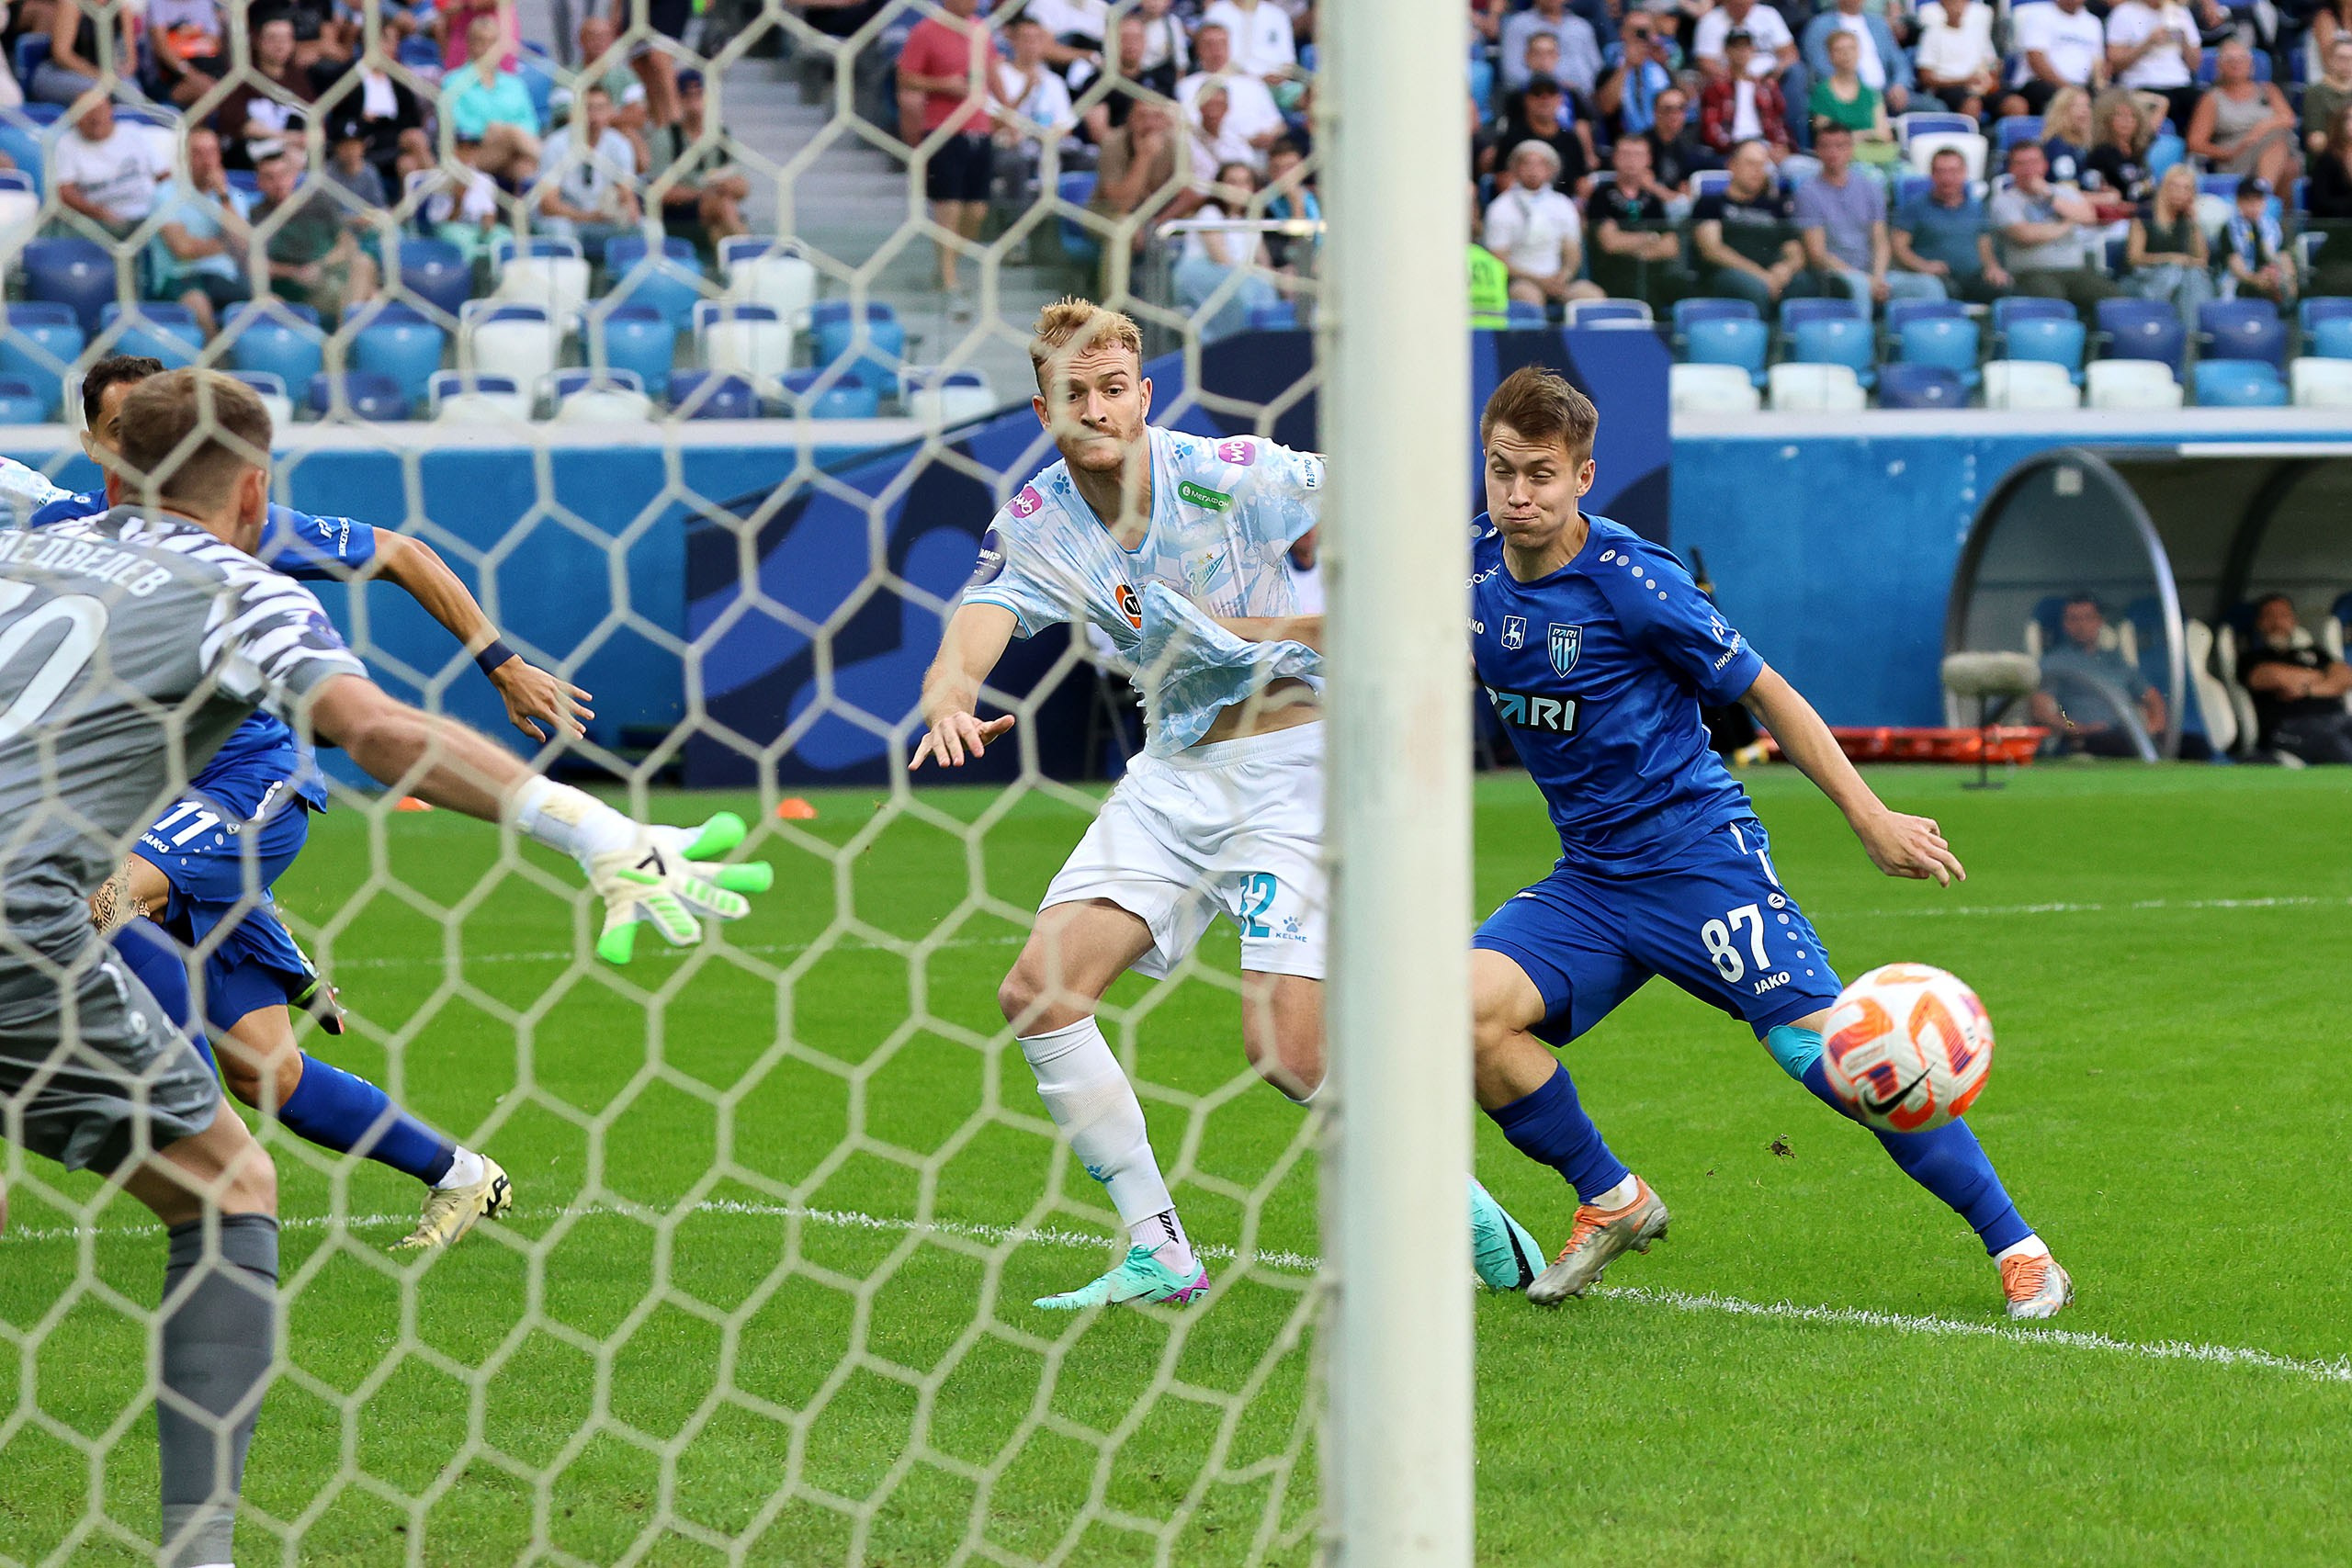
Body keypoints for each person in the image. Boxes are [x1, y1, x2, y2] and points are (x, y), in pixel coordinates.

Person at [0, 365, 763, 1568]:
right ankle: (199, 1549)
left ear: (106, 474)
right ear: (256, 492)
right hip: (20, 918)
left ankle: (410, 1126)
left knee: (236, 1064)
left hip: (169, 829)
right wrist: (602, 829)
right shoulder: (240, 585)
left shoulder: (26, 548)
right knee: (225, 1192)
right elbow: (384, 734)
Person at [910, 299, 1544, 1310]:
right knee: (1039, 994)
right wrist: (951, 693)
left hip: (1296, 769)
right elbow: (979, 617)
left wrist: (1267, 624)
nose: (1096, 409)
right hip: (1172, 778)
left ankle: (1450, 1200)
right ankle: (1158, 1248)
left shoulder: (1230, 475)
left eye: (1113, 389)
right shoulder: (1038, 521)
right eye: (1073, 395)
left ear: (1142, 394)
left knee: (1287, 1055)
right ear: (1044, 409)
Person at [1463, 366, 2072, 1323]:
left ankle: (2021, 1248)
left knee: (1834, 1058)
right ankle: (1612, 1198)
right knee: (1459, 1016)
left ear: (1584, 476)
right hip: (1590, 880)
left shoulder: (1633, 582)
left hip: (1696, 859)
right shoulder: (1473, 571)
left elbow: (1765, 690)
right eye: (1502, 471)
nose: (1518, 494)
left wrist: (1871, 817)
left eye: (1541, 474)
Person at [12, 353, 583, 1248]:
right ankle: (461, 1174)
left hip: (245, 789)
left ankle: (215, 1182)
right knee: (267, 1073)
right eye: (127, 433)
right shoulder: (61, 532)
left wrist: (499, 662)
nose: (147, 454)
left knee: (88, 906)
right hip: (139, 815)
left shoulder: (236, 534)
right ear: (100, 444)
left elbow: (399, 555)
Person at [897, 0, 993, 303]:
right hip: (943, 128)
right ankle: (948, 277)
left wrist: (1010, 110)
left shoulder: (982, 30)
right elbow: (905, 78)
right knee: (948, 205)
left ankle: (948, 263)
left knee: (977, 210)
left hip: (980, 127)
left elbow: (993, 71)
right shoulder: (925, 31)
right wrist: (943, 85)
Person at [1798, 123, 1941, 301]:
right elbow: (1817, 254)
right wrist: (1866, 281)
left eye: (1840, 146)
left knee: (1929, 286)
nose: (1833, 152)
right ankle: (1864, 329)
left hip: (1874, 274)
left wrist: (1878, 278)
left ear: (1851, 149)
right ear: (1817, 150)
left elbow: (1880, 241)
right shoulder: (1808, 192)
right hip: (1834, 276)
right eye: (1826, 146)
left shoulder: (1870, 188)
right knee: (1858, 286)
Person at [253, 142, 378, 325]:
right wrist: (295, 272)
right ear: (260, 183)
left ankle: (344, 337)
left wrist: (321, 265)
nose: (278, 183)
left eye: (283, 175)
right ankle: (345, 341)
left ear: (293, 176)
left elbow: (348, 242)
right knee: (371, 298)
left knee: (364, 264)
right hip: (295, 289)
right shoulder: (257, 216)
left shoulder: (317, 200)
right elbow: (257, 265)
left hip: (333, 275)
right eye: (270, 178)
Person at [2030, 594, 2168, 756]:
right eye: (2074, 619)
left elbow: (2153, 698)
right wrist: (2079, 730)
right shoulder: (2054, 663)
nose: (2081, 625)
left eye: (2088, 618)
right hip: (2089, 739)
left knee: (2193, 745)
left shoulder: (2117, 661)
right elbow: (2040, 710)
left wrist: (2154, 728)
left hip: (2128, 735)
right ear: (2065, 624)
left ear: (2099, 621)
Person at [1991, 140, 2117, 312]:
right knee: (2053, 302)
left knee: (2114, 299)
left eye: (2034, 162)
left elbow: (2088, 217)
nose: (2029, 169)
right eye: (2021, 163)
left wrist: (2048, 195)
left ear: (2045, 165)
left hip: (2075, 271)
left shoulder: (2061, 192)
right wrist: (2068, 223)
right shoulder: (2004, 200)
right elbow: (2026, 236)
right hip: (2032, 273)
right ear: (2011, 169)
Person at [149, 128, 252, 337]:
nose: (206, 160)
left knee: (270, 304)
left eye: (211, 152)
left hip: (224, 277)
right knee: (198, 303)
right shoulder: (165, 194)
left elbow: (243, 246)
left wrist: (223, 195)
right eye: (198, 153)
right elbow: (183, 249)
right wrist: (225, 244)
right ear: (184, 157)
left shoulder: (234, 197)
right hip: (180, 277)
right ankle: (216, 361)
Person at [1691, 138, 1816, 307]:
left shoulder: (1775, 206)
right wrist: (1762, 276)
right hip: (1729, 274)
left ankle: (1788, 333)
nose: (1757, 171)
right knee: (1753, 289)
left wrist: (1785, 269)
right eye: (1750, 164)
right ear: (1732, 166)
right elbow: (1712, 249)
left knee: (1803, 283)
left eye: (1761, 165)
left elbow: (1794, 248)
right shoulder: (1710, 203)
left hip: (1772, 274)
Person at [1486, 141, 1605, 313]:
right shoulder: (1501, 207)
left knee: (1592, 295)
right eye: (1527, 163)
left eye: (1540, 164)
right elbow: (1499, 259)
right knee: (1528, 298)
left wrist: (1564, 275)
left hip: (1558, 280)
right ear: (1515, 168)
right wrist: (1539, 280)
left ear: (1551, 170)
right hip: (1521, 281)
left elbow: (1572, 250)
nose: (1533, 170)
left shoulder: (1562, 204)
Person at [1172, 161, 1283, 340]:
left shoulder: (1250, 218)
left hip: (1240, 275)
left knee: (1266, 285)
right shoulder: (1209, 213)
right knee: (1246, 289)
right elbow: (1220, 258)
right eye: (1233, 182)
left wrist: (1276, 278)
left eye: (1245, 182)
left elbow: (1263, 260)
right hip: (1206, 273)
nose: (1239, 188)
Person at [2237, 593, 2352, 763]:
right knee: (2337, 746)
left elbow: (2346, 676)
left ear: (2293, 621)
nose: (2277, 623)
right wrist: (2325, 679)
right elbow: (2271, 677)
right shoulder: (2253, 658)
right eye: (2269, 616)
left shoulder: (2315, 653)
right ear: (2259, 623)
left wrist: (2308, 690)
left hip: (2337, 720)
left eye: (2283, 616)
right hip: (2290, 728)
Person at [536, 82, 640, 262]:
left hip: (604, 220)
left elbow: (628, 199)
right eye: (588, 109)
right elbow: (548, 206)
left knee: (648, 229)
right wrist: (588, 217)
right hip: (568, 219)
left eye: (600, 108)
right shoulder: (556, 145)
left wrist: (626, 213)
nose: (594, 116)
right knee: (561, 230)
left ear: (611, 112)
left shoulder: (620, 146)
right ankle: (568, 282)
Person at [647, 69, 750, 250]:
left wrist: (726, 186)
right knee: (724, 206)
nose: (694, 102)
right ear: (679, 99)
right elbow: (659, 191)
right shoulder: (667, 136)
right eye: (687, 95)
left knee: (720, 220)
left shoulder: (720, 135)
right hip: (678, 211)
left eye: (699, 94)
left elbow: (742, 187)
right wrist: (702, 193)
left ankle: (732, 262)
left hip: (715, 206)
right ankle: (749, 255)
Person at [1892, 145, 2010, 301]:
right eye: (1941, 172)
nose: (1947, 178)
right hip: (1936, 277)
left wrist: (1992, 268)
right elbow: (1898, 247)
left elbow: (1984, 243)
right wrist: (1923, 266)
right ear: (1932, 175)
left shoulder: (1976, 207)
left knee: (2006, 289)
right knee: (1944, 292)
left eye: (1953, 171)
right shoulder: (1915, 207)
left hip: (1974, 277)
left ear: (1964, 173)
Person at [443, 11, 543, 182]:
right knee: (512, 134)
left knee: (525, 169)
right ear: (469, 44)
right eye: (480, 41)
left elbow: (530, 123)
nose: (487, 48)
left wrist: (502, 131)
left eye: (492, 42)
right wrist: (492, 130)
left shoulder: (514, 84)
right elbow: (456, 124)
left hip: (515, 152)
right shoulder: (453, 82)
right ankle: (556, 165)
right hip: (474, 154)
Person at [2187, 41, 2299, 194]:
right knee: (2283, 153)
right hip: (2236, 155)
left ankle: (2261, 197)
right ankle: (2261, 198)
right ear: (2219, 67)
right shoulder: (2212, 98)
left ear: (2250, 65)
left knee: (2288, 165)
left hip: (2272, 148)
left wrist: (2261, 128)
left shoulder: (2268, 90)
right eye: (2230, 60)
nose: (2236, 64)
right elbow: (2195, 143)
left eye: (2241, 59)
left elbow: (2289, 119)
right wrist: (2227, 154)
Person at [51, 96, 168, 240]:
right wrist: (100, 213)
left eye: (99, 110)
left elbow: (164, 175)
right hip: (99, 221)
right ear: (74, 117)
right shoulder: (66, 144)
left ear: (110, 111)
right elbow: (65, 192)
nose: (94, 117)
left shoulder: (133, 133)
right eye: (85, 111)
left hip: (148, 213)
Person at [1589, 134, 1686, 300]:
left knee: (1687, 289)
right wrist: (1652, 238)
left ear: (1648, 159)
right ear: (1615, 158)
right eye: (1626, 154)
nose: (1631, 160)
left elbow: (1671, 246)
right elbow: (1610, 243)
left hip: (1655, 272)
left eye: (1638, 155)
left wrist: (1631, 246)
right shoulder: (1601, 194)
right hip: (1617, 274)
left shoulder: (1653, 198)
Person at [212, 15, 316, 169]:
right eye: (272, 38)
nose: (279, 45)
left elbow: (315, 122)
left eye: (286, 38)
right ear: (257, 40)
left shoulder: (298, 78)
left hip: (293, 152)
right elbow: (242, 126)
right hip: (251, 153)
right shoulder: (241, 77)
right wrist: (288, 138)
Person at [2125, 162, 2214, 324]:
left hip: (2183, 281)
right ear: (2165, 187)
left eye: (2187, 188)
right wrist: (2169, 258)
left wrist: (2193, 223)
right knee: (2174, 272)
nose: (2180, 193)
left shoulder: (2188, 221)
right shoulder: (2145, 214)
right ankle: (2168, 328)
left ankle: (2191, 337)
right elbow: (2134, 258)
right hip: (2148, 277)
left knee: (2194, 275)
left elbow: (2202, 261)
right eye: (2175, 186)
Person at [1177, 23, 1285, 153]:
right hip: (1208, 154)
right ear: (1198, 48)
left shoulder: (1253, 84)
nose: (1216, 50)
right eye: (1209, 44)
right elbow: (1190, 125)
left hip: (1255, 154)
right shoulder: (1186, 86)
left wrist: (1268, 137)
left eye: (1222, 44)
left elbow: (1279, 125)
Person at [2104, 0, 2202, 135]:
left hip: (2180, 82)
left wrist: (2183, 37)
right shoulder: (2124, 12)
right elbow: (2115, 64)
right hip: (2142, 84)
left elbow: (2195, 65)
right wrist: (2148, 43)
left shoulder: (2181, 12)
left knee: (2208, 103)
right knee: (2168, 104)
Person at [1801, 0, 1912, 118]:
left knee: (1930, 109)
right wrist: (1858, 92)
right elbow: (1821, 67)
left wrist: (1900, 85)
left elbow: (1899, 62)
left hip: (1889, 95)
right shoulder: (1820, 25)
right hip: (1847, 97)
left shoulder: (1879, 24)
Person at [1806, 29, 1899, 167]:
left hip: (1877, 155)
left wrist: (1854, 136)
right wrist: (1868, 134)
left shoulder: (1871, 93)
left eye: (1851, 48)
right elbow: (1828, 138)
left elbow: (1884, 134)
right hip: (1844, 162)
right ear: (1830, 56)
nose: (1846, 54)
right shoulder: (1822, 93)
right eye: (1839, 50)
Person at [2004, 0, 2105, 118]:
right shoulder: (2039, 14)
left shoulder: (2093, 22)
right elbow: (2036, 59)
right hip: (2041, 83)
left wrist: (2099, 86)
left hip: (2080, 87)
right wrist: (2067, 89)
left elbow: (2098, 63)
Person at [1700, 32, 1792, 160]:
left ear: (1753, 50)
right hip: (1732, 147)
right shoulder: (1716, 88)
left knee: (1799, 167)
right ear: (1727, 51)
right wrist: (1735, 149)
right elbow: (1711, 129)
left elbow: (1777, 123)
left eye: (1746, 47)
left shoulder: (1765, 87)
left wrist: (1781, 146)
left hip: (1764, 145)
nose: (1741, 52)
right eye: (1736, 47)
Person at [1501, 72, 1597, 192]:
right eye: (1537, 93)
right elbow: (1503, 181)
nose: (1544, 99)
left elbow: (1581, 182)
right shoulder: (1511, 138)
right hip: (1521, 204)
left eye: (1551, 93)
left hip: (1563, 205)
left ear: (1560, 99)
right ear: (1526, 99)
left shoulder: (1571, 139)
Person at [32, 0, 135, 105]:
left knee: (131, 93)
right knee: (96, 95)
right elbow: (61, 55)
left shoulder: (122, 7)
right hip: (63, 72)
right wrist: (98, 75)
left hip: (106, 76)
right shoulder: (71, 4)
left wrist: (118, 76)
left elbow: (130, 60)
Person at [1595, 12, 1676, 141]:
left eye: (1645, 31)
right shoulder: (1610, 66)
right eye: (1636, 31)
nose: (1641, 36)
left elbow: (1678, 103)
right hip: (1622, 142)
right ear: (1622, 33)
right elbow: (1606, 108)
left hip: (1658, 142)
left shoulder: (1660, 69)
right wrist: (1627, 65)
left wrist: (1663, 63)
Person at [1911, 0, 1999, 117]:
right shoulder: (1932, 34)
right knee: (1972, 104)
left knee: (2015, 104)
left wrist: (1990, 78)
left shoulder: (1977, 32)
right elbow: (1925, 78)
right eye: (1952, 4)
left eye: (1960, 3)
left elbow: (1992, 62)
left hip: (1979, 86)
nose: (1957, 8)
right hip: (1948, 88)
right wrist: (1964, 81)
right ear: (1943, 6)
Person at [2220, 175, 2297, 304]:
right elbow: (2235, 264)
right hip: (2242, 281)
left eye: (2259, 200)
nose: (2254, 205)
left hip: (2271, 278)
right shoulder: (2229, 228)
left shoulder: (2273, 226)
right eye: (2249, 200)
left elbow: (2284, 257)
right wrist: (2256, 280)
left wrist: (2289, 279)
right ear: (2239, 201)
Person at [1501, 0, 1603, 98]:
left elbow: (1598, 69)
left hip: (1587, 99)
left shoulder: (1582, 26)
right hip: (1541, 97)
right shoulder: (1518, 24)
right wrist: (1555, 85)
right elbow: (1512, 74)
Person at [2086, 86, 2158, 206]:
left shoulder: (2139, 152)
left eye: (2132, 116)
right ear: (2107, 119)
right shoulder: (2101, 153)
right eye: (2119, 115)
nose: (2127, 121)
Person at [1202, 0, 1300, 83]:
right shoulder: (1216, 12)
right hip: (1231, 81)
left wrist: (1276, 78)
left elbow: (1289, 62)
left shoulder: (1278, 15)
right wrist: (1256, 80)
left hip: (1277, 85)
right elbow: (1214, 60)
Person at [1644, 87, 1718, 190]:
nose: (1675, 115)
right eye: (1668, 109)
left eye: (1681, 108)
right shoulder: (1640, 145)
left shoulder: (1693, 144)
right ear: (1655, 112)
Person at [2304, 38, 2352, 161]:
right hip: (2332, 155)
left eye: (2351, 58)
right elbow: (2315, 138)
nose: (2347, 63)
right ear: (2330, 60)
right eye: (2342, 58)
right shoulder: (2316, 92)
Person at [2041, 85, 2095, 186]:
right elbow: (2067, 187)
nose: (2085, 111)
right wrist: (2103, 198)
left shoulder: (2081, 144)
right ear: (2062, 110)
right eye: (2078, 106)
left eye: (2087, 106)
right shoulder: (2058, 144)